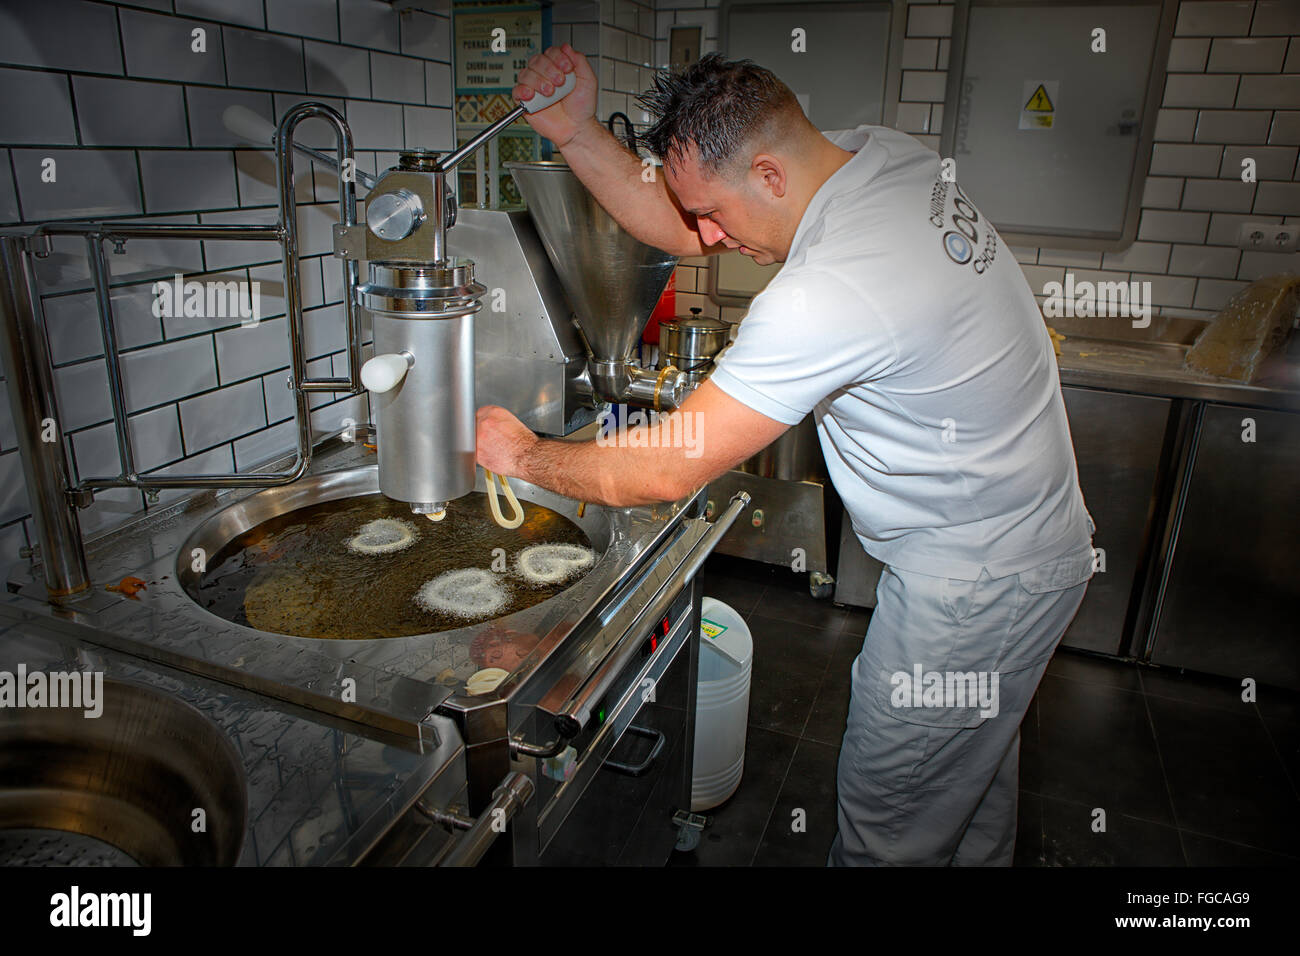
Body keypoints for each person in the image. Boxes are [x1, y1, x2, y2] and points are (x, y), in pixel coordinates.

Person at [476, 45, 1095, 866]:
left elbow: (667, 466)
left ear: (768, 174)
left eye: (716, 217)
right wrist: (576, 130)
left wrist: (524, 453)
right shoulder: (875, 157)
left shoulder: (832, 287)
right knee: (966, 796)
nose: (705, 240)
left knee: (891, 826)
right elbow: (683, 220)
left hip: (975, 588)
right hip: (1020, 554)